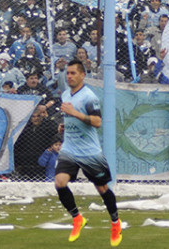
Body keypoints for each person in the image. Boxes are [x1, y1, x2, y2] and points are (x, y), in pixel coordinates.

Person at [54, 59, 122, 246]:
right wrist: (64, 126)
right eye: (67, 73)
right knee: (60, 183)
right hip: (69, 148)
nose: (69, 76)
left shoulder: (89, 97)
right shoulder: (66, 94)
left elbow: (97, 122)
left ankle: (115, 222)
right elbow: (71, 117)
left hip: (89, 151)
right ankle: (77, 218)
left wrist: (75, 113)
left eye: (73, 73)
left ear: (82, 75)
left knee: (101, 188)